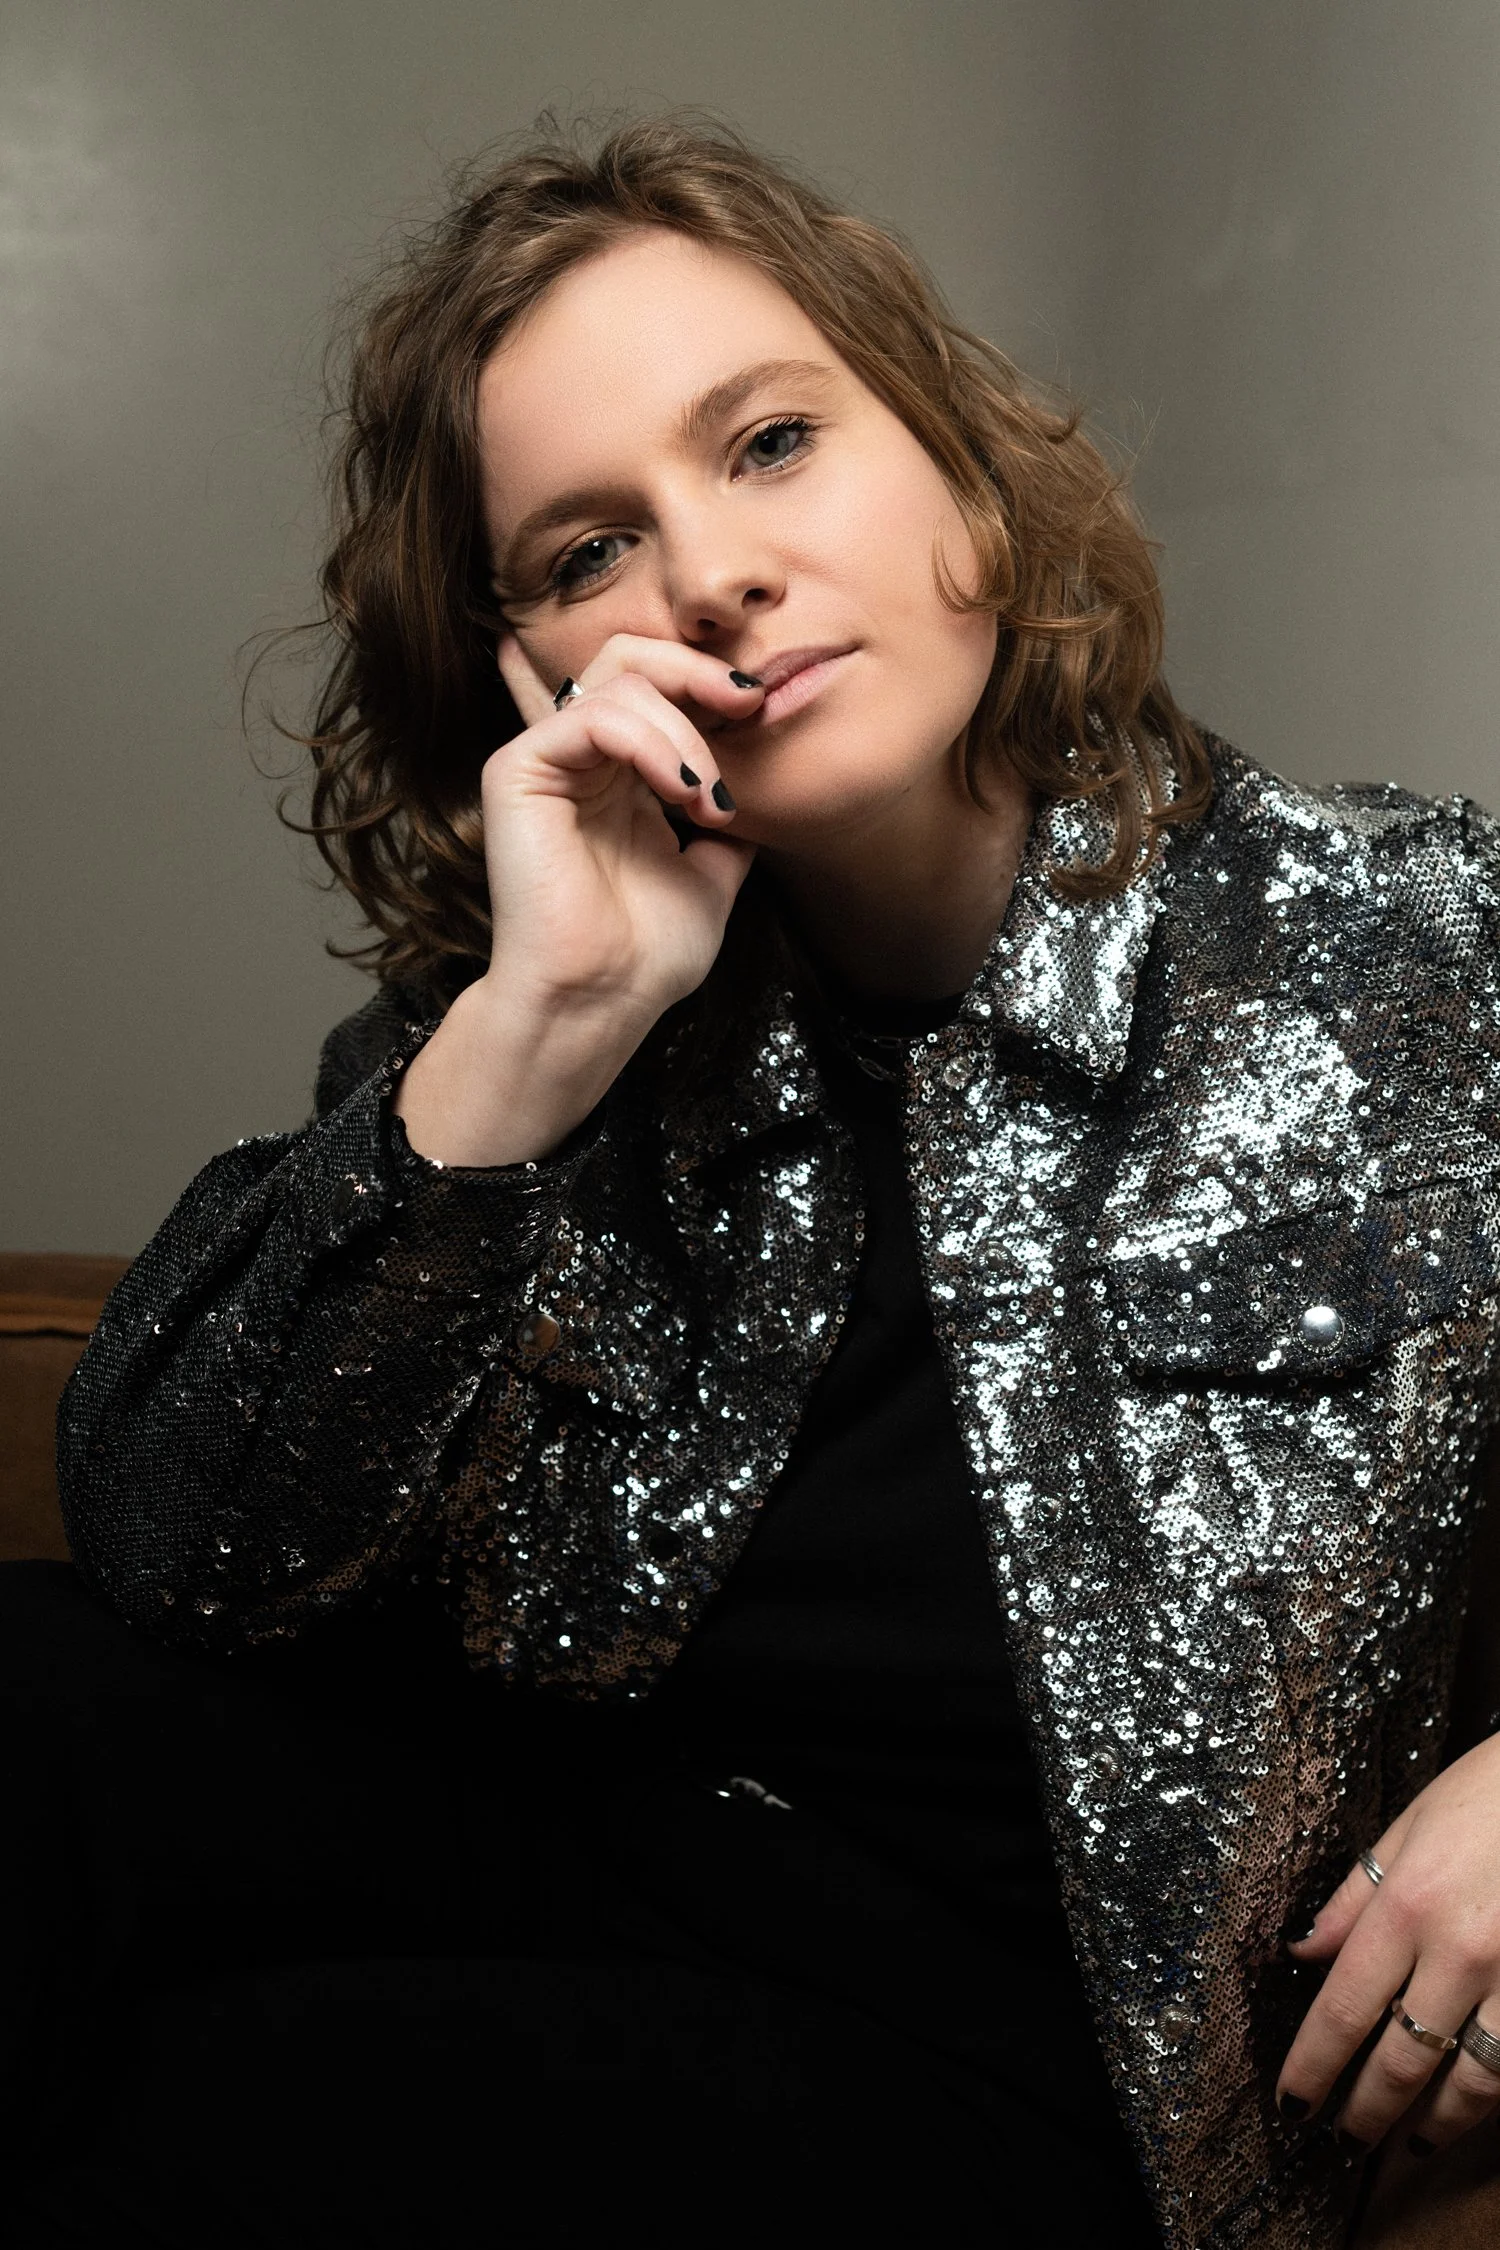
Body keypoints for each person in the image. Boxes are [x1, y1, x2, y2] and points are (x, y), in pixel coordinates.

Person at [9, 115, 1500, 2249]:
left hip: (1021, 2063)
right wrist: (546, 1020)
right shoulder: (542, 1011)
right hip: (554, 1845)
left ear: (959, 466)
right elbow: (177, 1552)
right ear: (529, 662)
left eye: (773, 442)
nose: (706, 574)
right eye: (585, 552)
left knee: (217, 2127)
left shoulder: (1423, 943)